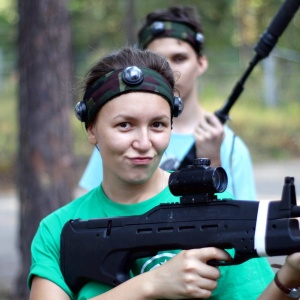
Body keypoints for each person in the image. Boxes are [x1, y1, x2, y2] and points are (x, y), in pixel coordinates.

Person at [28, 46, 300, 300]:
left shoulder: (217, 215)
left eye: (157, 125)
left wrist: (287, 277)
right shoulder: (58, 230)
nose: (144, 143)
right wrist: (152, 284)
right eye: (125, 125)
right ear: (91, 130)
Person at [79, 6, 257, 201]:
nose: (169, 70)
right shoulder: (117, 138)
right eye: (158, 59)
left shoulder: (229, 146)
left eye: (179, 58)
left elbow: (244, 225)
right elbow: (87, 206)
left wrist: (212, 161)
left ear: (201, 63)